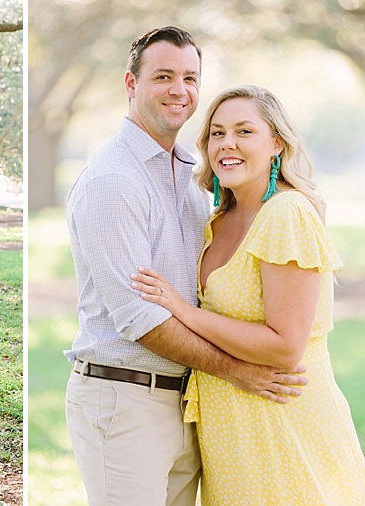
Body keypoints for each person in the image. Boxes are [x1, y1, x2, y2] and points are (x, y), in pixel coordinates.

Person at [65, 27, 307, 505]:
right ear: (131, 84)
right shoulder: (113, 180)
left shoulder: (199, 174)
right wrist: (236, 370)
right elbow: (140, 318)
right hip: (126, 400)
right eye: (163, 76)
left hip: (190, 401)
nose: (180, 90)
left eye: (190, 78)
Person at [131, 85, 365, 504]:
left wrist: (182, 310)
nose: (228, 144)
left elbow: (285, 347)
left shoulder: (287, 213)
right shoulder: (219, 220)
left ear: (276, 143)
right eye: (217, 133)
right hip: (230, 436)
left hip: (286, 425)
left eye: (244, 131)